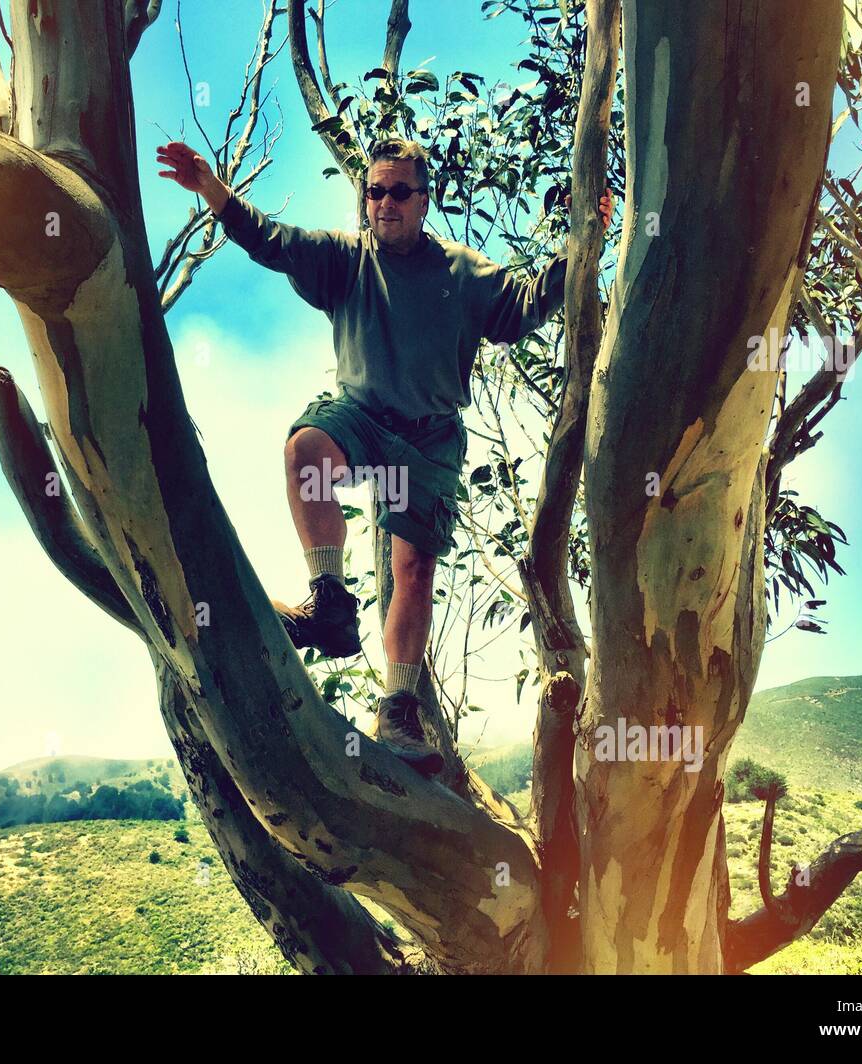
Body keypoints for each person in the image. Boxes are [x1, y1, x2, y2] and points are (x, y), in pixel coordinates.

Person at [156, 137, 612, 776]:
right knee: (306, 450)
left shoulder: (462, 272)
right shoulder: (344, 261)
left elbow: (530, 303)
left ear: (425, 200)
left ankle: (397, 708)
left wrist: (586, 238)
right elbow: (271, 240)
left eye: (400, 191)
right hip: (363, 419)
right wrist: (213, 192)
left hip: (428, 438)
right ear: (363, 199)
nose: (385, 202)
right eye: (375, 191)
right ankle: (331, 604)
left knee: (413, 568)